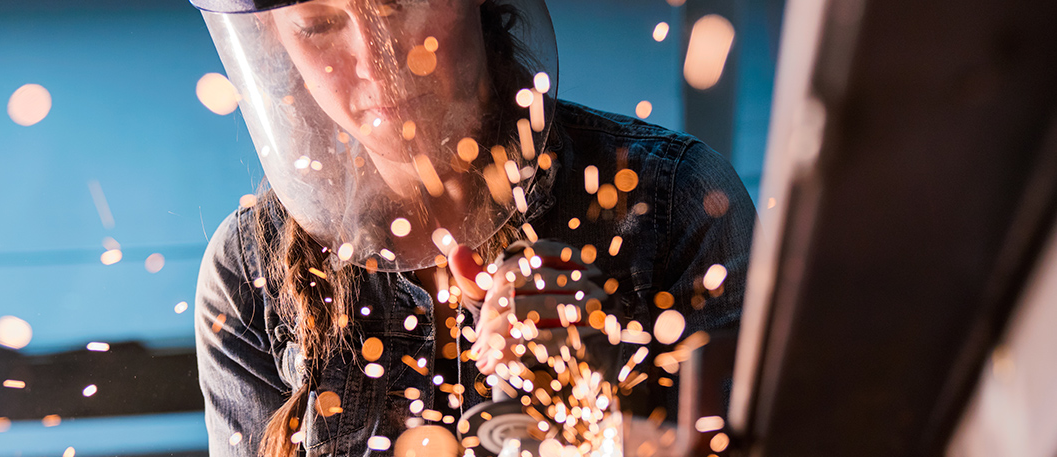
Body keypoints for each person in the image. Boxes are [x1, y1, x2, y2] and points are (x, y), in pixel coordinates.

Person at [189, 1, 755, 456]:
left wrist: (595, 406)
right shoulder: (248, 272)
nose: (376, 58)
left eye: (397, 3)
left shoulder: (673, 200)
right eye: (319, 26)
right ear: (277, 47)